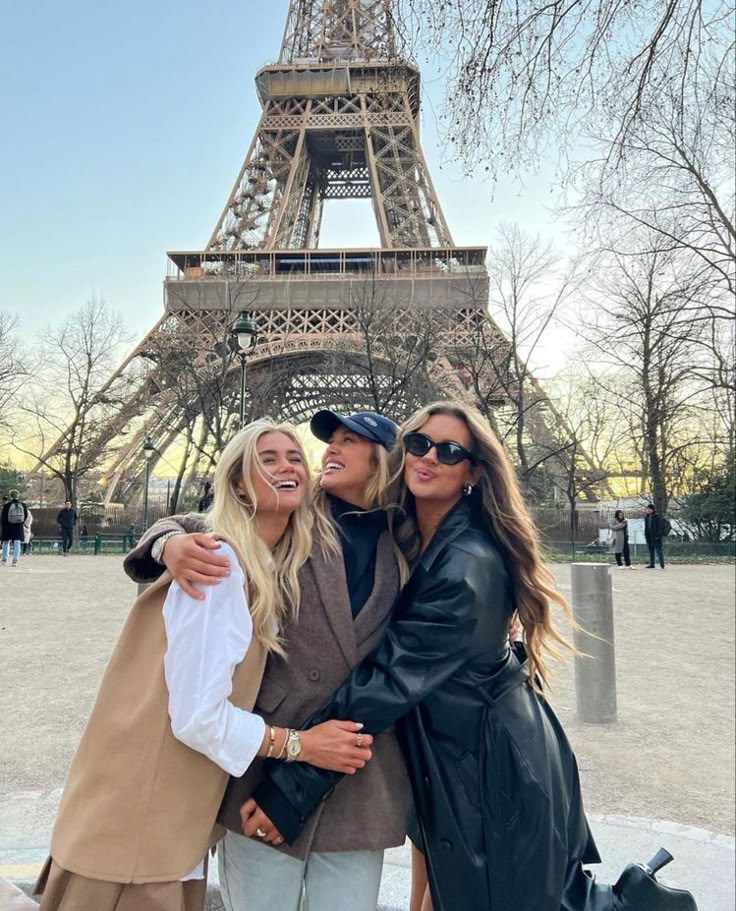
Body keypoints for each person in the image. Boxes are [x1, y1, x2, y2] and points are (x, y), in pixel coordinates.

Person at [240, 402, 697, 911]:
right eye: (418, 444)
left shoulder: (465, 564)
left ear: (474, 473)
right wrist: (175, 541)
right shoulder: (411, 535)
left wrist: (290, 791)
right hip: (461, 756)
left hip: (488, 771)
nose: (429, 456)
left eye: (450, 451)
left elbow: (388, 681)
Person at [34, 420, 371, 911]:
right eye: (267, 459)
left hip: (163, 812)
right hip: (146, 818)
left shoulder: (265, 561)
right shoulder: (219, 566)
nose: (286, 467)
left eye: (295, 458)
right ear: (238, 483)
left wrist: (166, 538)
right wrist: (302, 745)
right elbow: (198, 717)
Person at [124, 410, 412, 911]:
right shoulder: (293, 510)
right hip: (264, 769)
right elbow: (206, 524)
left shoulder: (406, 540)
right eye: (330, 441)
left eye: (349, 441)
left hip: (355, 777)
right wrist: (168, 543)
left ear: (385, 461)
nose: (330, 449)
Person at [1, 490, 29, 567]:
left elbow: (3, 517)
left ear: (10, 496)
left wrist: (4, 526)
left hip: (8, 526)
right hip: (18, 526)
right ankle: (15, 560)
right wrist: (20, 523)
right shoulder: (23, 505)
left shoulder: (7, 505)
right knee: (17, 542)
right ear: (18, 496)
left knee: (6, 542)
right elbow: (26, 516)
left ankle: (4, 559)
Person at [645, 502, 667, 569]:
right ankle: (652, 564)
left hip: (656, 536)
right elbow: (646, 527)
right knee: (651, 550)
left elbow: (660, 527)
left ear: (653, 509)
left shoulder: (657, 517)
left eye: (649, 509)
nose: (648, 510)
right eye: (647, 509)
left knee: (659, 550)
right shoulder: (646, 517)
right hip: (649, 536)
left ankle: (662, 564)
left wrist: (658, 535)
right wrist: (646, 535)